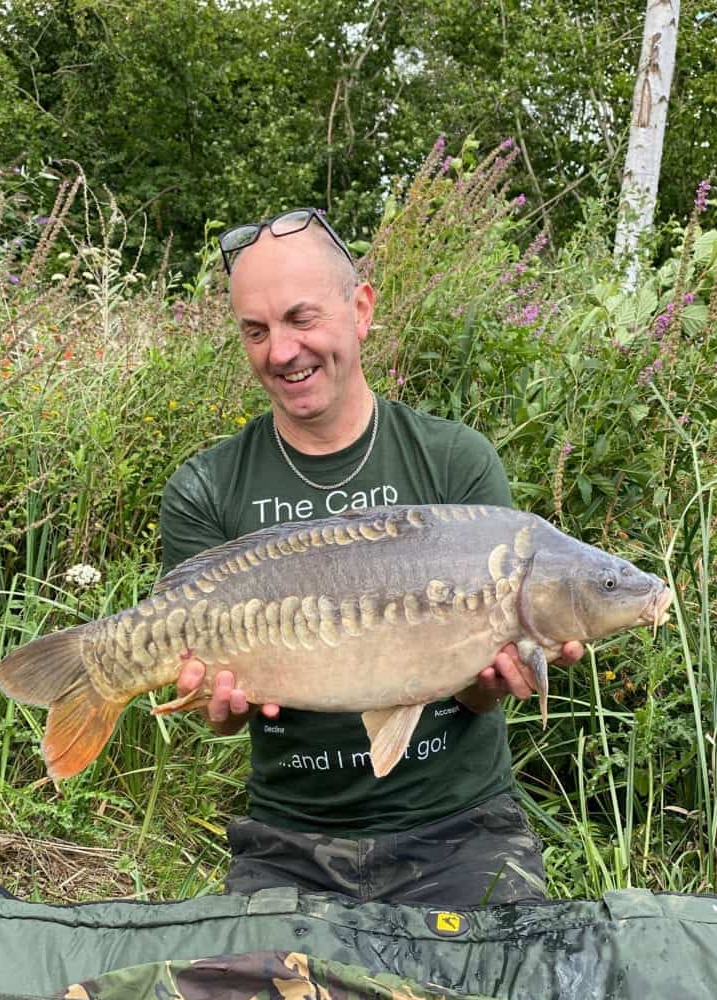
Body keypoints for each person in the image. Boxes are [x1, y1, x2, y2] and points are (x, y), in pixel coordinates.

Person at [160, 208, 583, 907]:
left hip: (461, 830)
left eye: (301, 318)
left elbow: (477, 694)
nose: (281, 350)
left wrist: (492, 680)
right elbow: (224, 715)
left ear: (360, 310)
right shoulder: (206, 488)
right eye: (256, 331)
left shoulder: (455, 464)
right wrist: (218, 704)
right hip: (289, 841)